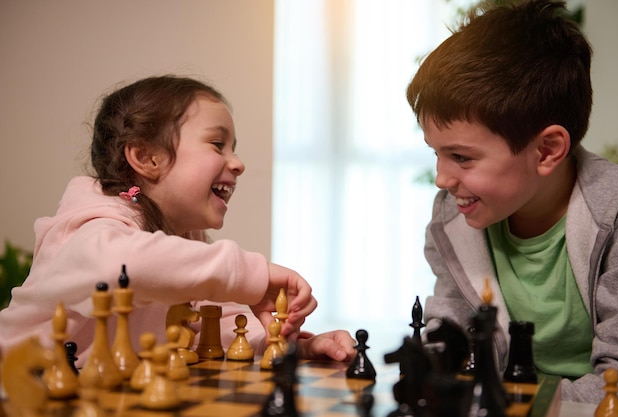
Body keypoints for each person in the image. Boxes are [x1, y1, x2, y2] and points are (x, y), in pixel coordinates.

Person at [0, 75, 355, 365]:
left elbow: (215, 326)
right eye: (217, 144)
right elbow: (121, 268)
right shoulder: (88, 227)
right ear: (146, 156)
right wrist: (249, 274)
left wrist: (289, 346)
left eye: (234, 147)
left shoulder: (183, 242)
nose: (238, 163)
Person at [407, 0, 618, 404]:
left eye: (461, 157)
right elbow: (456, 338)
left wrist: (513, 405)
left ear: (546, 151)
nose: (441, 178)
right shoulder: (452, 217)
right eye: (435, 153)